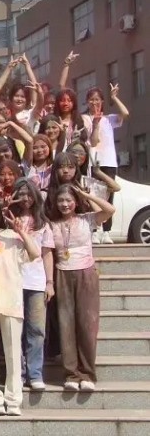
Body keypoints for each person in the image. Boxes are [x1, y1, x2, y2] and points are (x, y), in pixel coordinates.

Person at [0, 197, 41, 416]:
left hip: (11, 299)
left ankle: (13, 400)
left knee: (13, 353)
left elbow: (35, 254)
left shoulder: (10, 236)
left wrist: (22, 232)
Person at [49, 184, 115, 392]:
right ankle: (71, 374)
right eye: (61, 200)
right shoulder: (52, 224)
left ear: (76, 202)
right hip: (62, 273)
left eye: (69, 200)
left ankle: (87, 373)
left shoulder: (87, 219)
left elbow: (109, 210)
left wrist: (88, 195)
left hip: (86, 273)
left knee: (87, 323)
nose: (65, 204)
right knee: (66, 324)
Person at [8, 178, 55, 391]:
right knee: (14, 330)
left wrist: (49, 282)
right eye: (21, 193)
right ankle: (17, 373)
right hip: (12, 280)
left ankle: (35, 373)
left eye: (29, 193)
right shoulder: (8, 218)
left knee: (36, 329)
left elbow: (47, 254)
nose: (25, 198)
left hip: (36, 281)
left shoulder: (43, 223)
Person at [84, 83, 129, 243]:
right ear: (87, 102)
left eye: (97, 99)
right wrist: (95, 124)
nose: (94, 102)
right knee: (93, 196)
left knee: (109, 197)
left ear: (102, 101)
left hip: (109, 162)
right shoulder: (85, 119)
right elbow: (94, 141)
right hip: (92, 162)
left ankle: (106, 231)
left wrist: (114, 98)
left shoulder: (109, 119)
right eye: (91, 99)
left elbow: (125, 113)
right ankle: (95, 229)